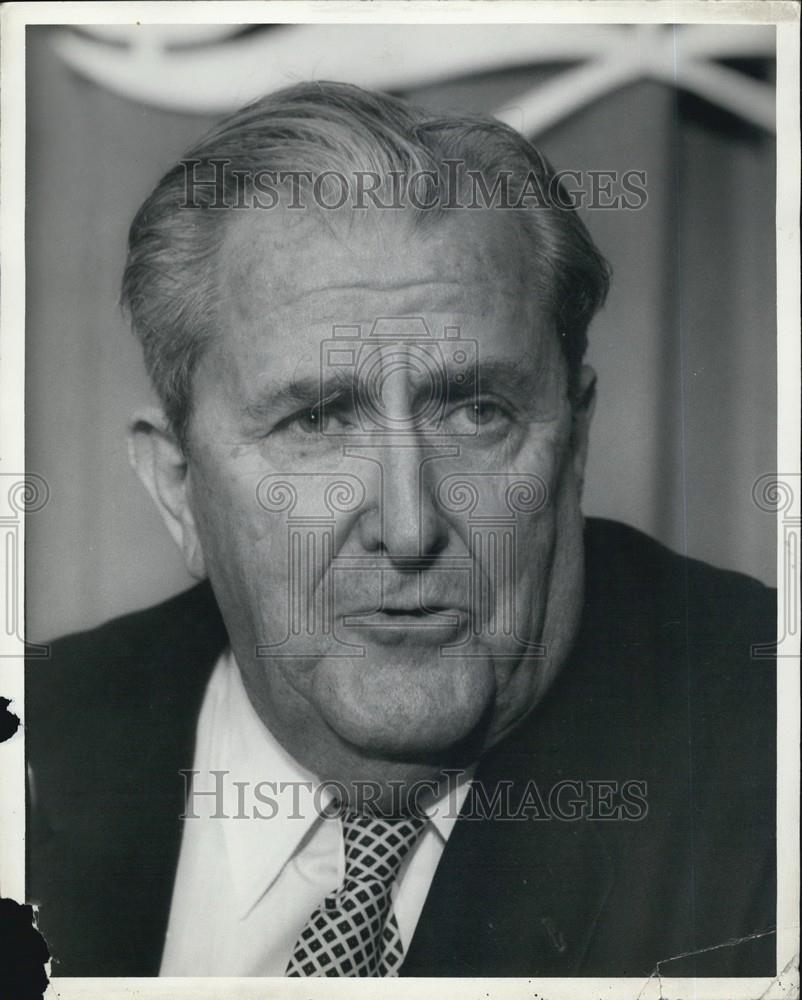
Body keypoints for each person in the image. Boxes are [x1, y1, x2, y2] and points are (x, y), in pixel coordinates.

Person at [26, 81, 776, 979]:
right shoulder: (26, 756)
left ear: (574, 448)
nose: (409, 524)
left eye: (476, 415)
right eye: (315, 422)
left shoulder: (771, 759)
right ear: (179, 489)